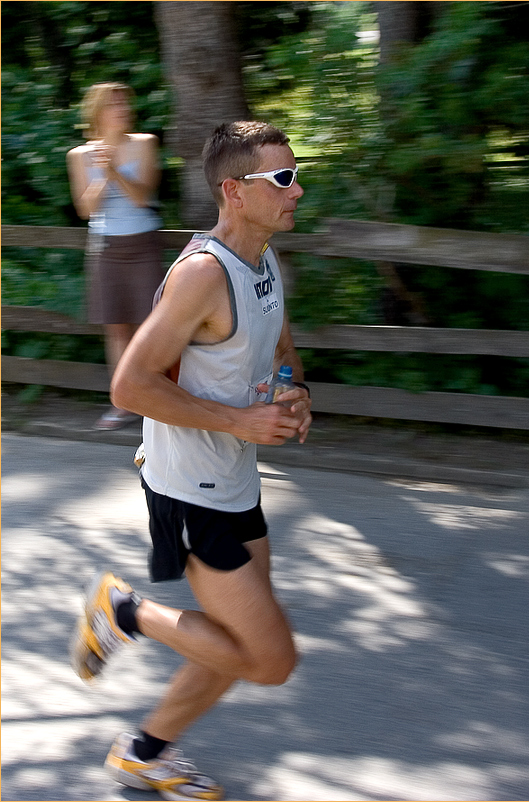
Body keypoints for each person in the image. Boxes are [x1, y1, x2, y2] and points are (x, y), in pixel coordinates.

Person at [71, 121, 312, 801]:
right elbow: (130, 386)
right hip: (188, 489)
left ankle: (145, 753)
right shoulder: (202, 275)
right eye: (283, 179)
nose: (297, 190)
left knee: (232, 644)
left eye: (297, 174)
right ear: (235, 192)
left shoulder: (262, 260)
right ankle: (126, 612)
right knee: (269, 660)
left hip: (233, 478)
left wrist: (293, 390)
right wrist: (242, 420)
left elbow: (277, 343)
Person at [67, 81, 164, 430]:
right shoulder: (79, 156)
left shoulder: (145, 144)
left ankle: (157, 401)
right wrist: (101, 174)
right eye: (114, 105)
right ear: (97, 112)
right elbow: (85, 209)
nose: (123, 110)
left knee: (152, 327)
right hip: (105, 248)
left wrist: (112, 171)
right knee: (116, 329)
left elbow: (142, 197)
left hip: (142, 243)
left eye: (125, 104)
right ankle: (122, 403)